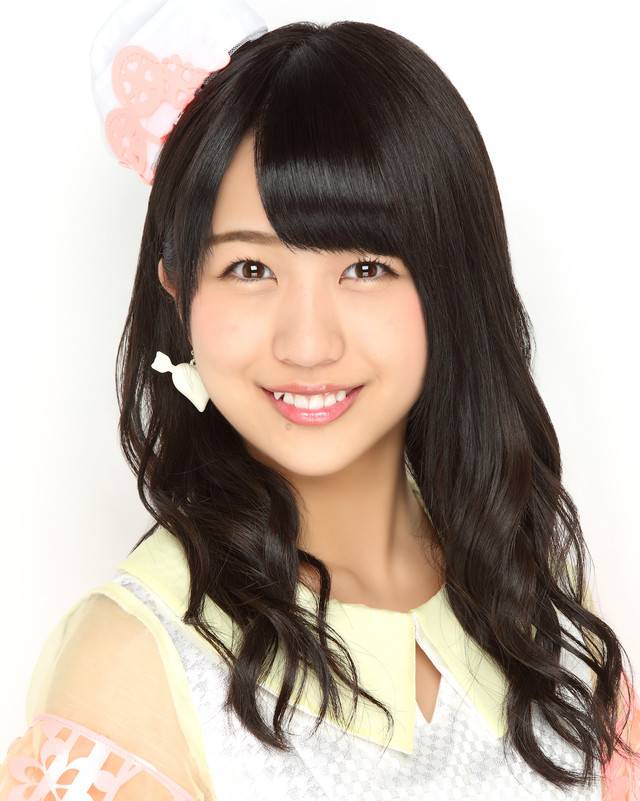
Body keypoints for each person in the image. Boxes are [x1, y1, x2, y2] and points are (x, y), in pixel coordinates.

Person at [1, 1, 639, 799]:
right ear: (178, 286)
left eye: (365, 268)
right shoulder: (138, 660)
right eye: (250, 269)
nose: (307, 344)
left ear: (453, 283)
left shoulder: (529, 582)